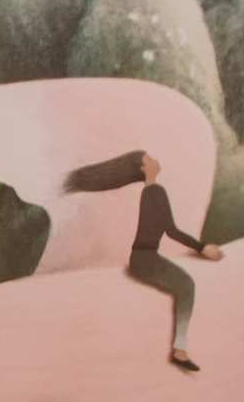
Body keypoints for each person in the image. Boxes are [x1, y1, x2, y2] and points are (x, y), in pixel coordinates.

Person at [59, 148, 223, 371]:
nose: (155, 159)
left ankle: (180, 349)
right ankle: (180, 350)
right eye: (149, 159)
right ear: (144, 169)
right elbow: (171, 230)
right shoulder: (155, 192)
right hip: (144, 259)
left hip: (144, 257)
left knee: (185, 284)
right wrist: (203, 248)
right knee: (186, 285)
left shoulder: (152, 192)